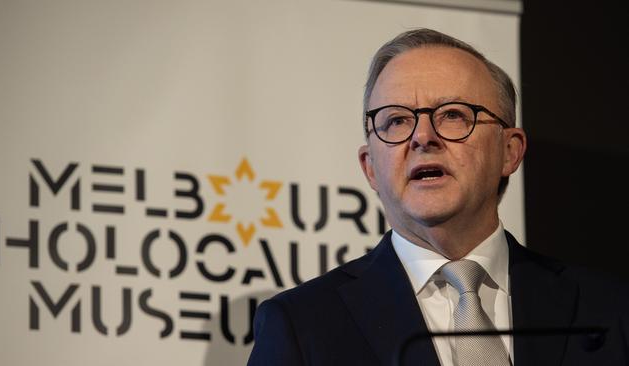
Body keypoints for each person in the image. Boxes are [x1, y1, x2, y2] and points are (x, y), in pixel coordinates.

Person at [246, 28, 629, 366]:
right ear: (370, 168)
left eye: (453, 115)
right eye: (396, 120)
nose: (422, 136)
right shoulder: (303, 325)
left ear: (510, 151)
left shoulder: (609, 309)